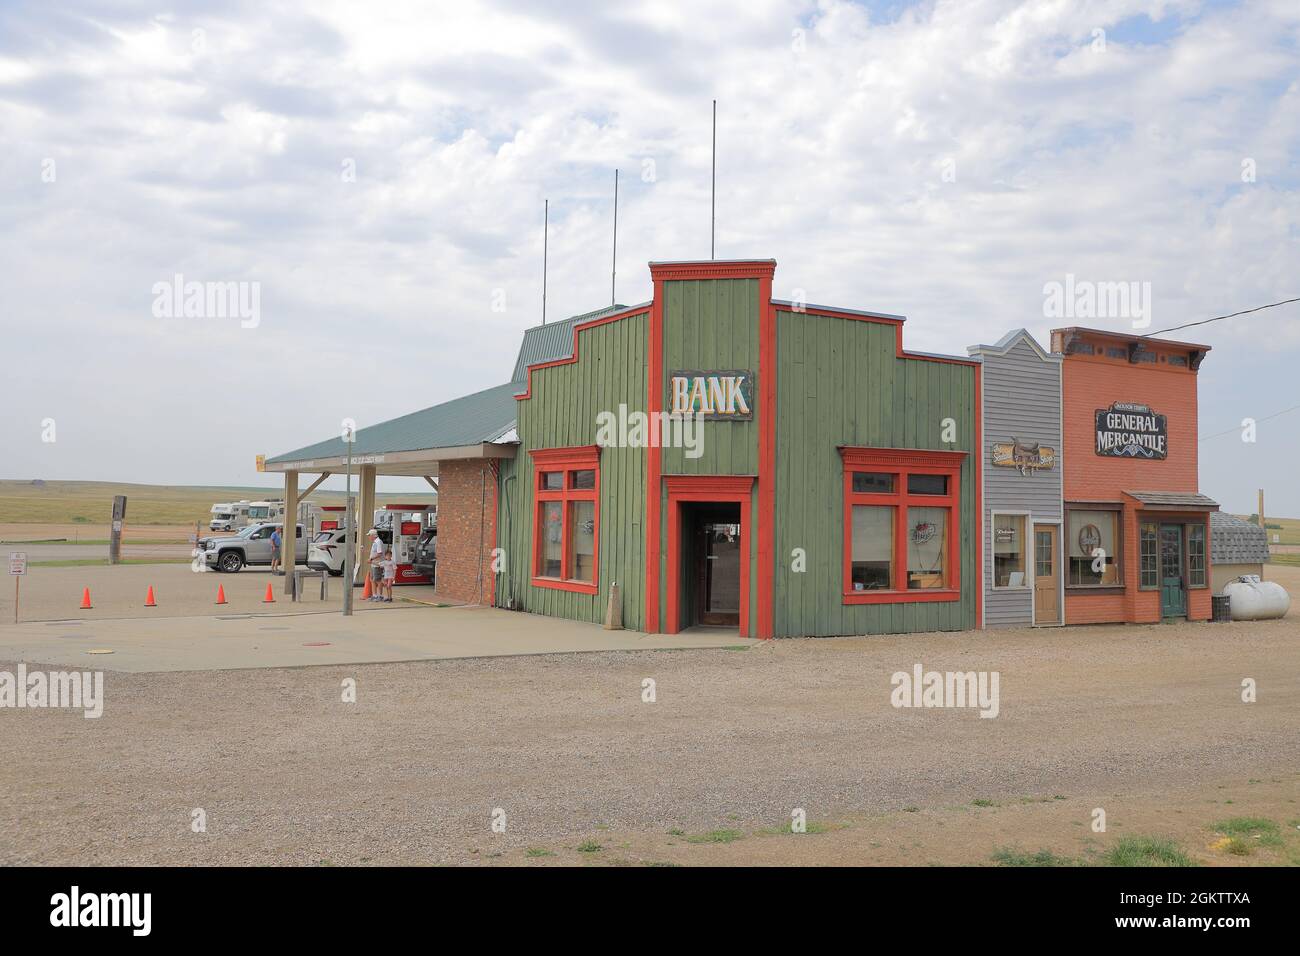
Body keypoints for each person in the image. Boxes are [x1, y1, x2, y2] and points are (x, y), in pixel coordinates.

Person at [367, 529, 384, 600]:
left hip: (377, 564)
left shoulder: (378, 542)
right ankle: (374, 595)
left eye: (369, 535)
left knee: (377, 580)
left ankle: (380, 595)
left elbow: (380, 553)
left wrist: (371, 559)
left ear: (373, 535)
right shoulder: (375, 542)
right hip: (374, 564)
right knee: (372, 579)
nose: (369, 537)